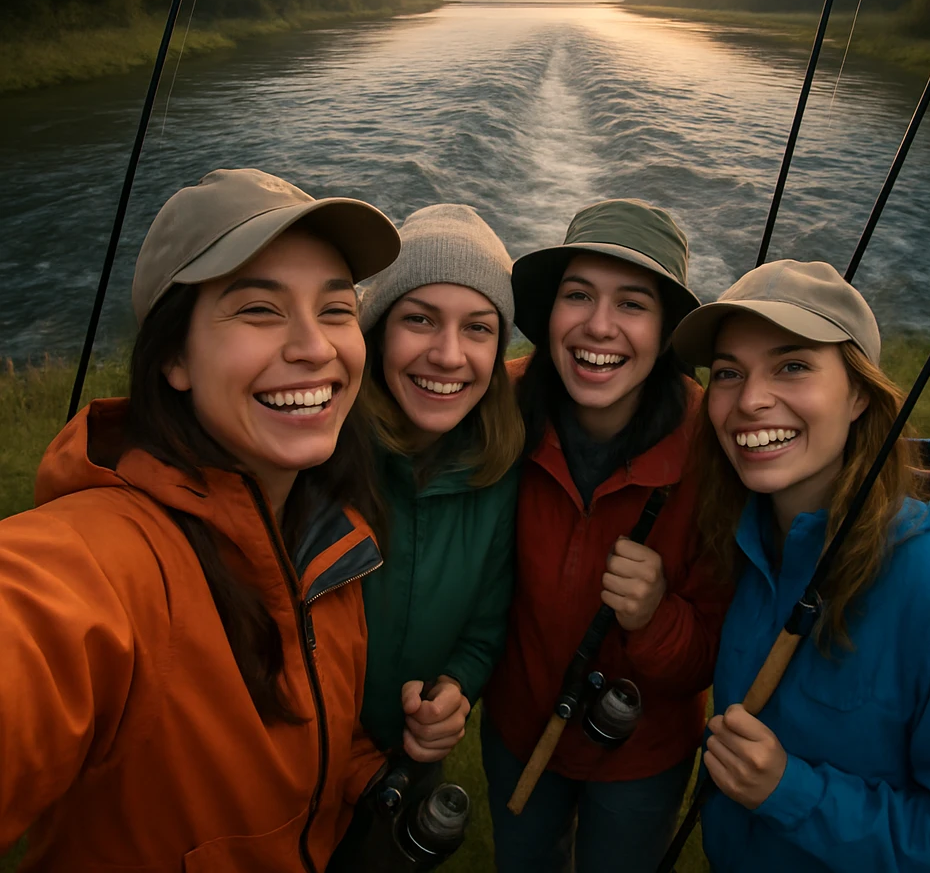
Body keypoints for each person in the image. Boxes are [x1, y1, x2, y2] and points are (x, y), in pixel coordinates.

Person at [0, 168, 402, 871]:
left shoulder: (325, 533)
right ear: (174, 357)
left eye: (337, 309)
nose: (316, 347)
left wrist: (363, 773)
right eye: (259, 309)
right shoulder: (104, 561)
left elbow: (300, 719)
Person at [671, 258, 930, 873]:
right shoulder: (749, 542)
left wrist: (792, 793)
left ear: (859, 393)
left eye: (792, 366)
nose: (750, 400)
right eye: (729, 372)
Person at [482, 199, 731, 873]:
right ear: (549, 312)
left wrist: (654, 617)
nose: (598, 325)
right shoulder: (492, 408)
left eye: (632, 304)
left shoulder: (718, 451)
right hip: (516, 730)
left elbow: (714, 654)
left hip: (643, 758)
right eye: (578, 295)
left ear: (667, 331)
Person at [329, 204, 524, 865]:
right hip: (296, 764)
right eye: (419, 319)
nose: (448, 355)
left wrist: (455, 690)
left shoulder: (498, 471)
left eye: (478, 328)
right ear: (377, 331)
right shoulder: (318, 455)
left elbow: (485, 627)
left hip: (408, 768)